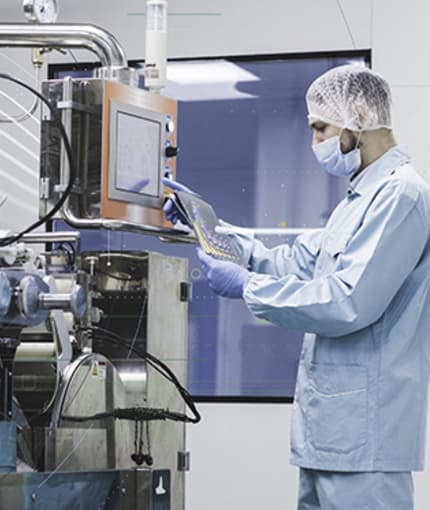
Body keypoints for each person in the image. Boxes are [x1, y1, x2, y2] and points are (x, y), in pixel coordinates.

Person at [163, 64, 430, 509]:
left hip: (365, 435)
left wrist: (249, 287)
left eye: (320, 128)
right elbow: (295, 261)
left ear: (359, 114)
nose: (316, 142)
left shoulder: (400, 195)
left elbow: (348, 300)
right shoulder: (359, 197)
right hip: (331, 431)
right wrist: (208, 226)